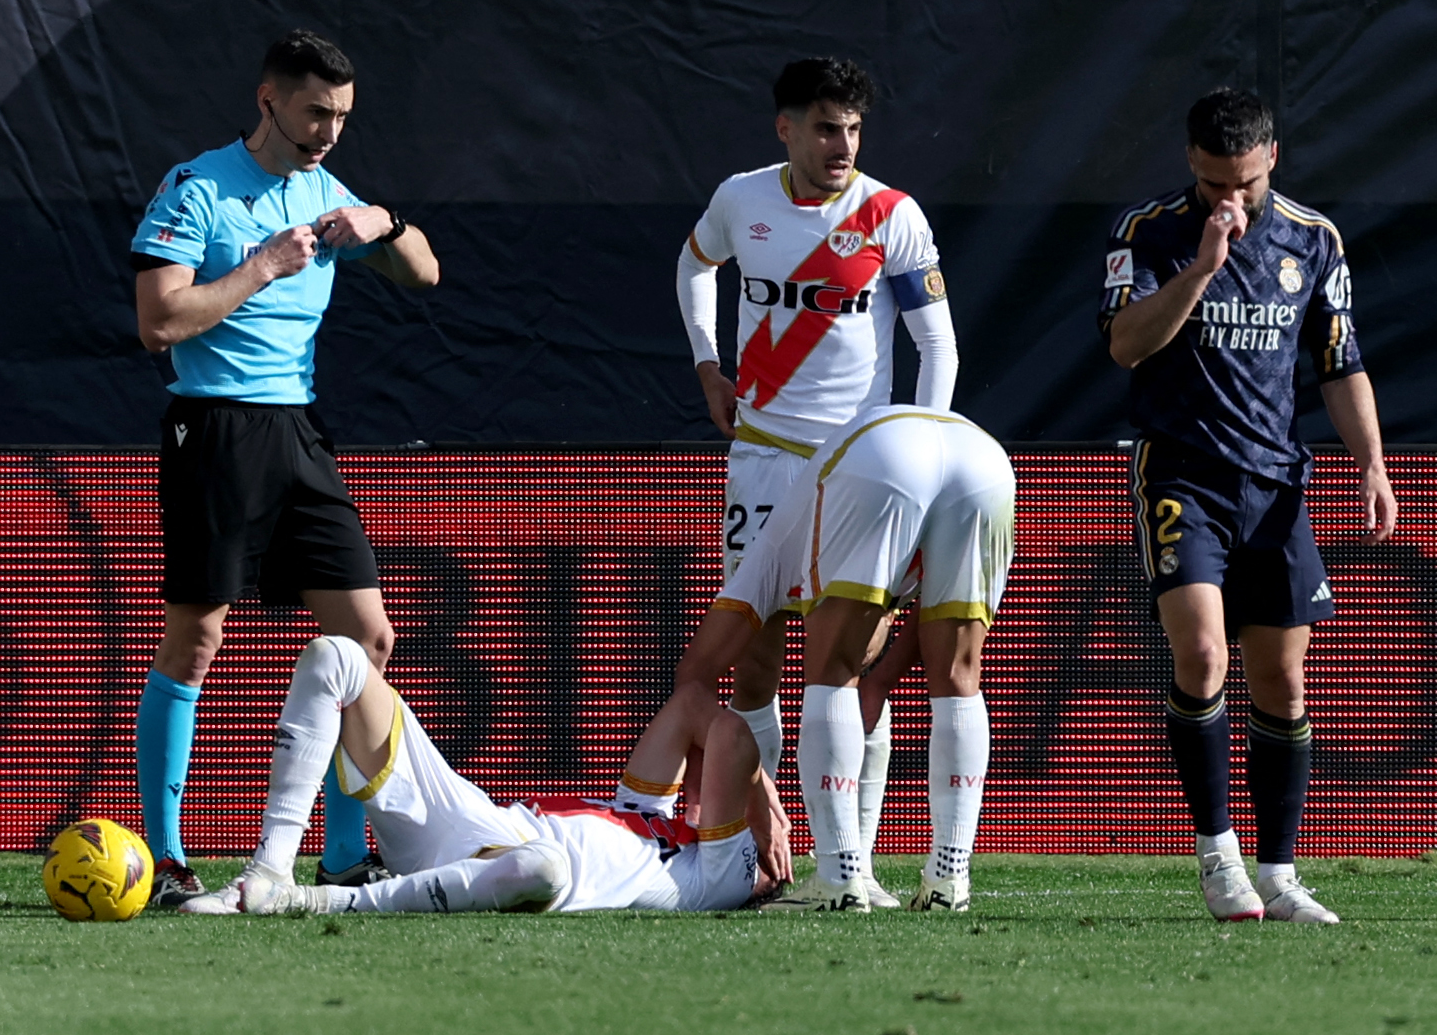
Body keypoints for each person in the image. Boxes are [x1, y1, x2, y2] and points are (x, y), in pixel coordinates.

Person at [129, 30, 439, 905]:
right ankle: (166, 859)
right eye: (314, 112)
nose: (329, 131)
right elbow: (159, 322)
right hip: (215, 428)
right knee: (197, 638)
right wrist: (265, 264)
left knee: (367, 641)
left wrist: (390, 224)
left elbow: (426, 275)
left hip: (299, 433)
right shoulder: (198, 188)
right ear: (268, 101)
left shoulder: (328, 191)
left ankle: (343, 859)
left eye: (341, 116)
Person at [1099, 88, 1396, 925]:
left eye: (1245, 185)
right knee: (1200, 654)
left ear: (1272, 156)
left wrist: (1371, 464)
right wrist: (1201, 266)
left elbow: (1340, 364)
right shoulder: (1148, 232)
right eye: (1213, 184)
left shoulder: (1313, 239)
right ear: (1191, 164)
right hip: (1182, 474)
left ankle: (1279, 871)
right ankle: (1216, 854)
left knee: (1285, 679)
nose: (1230, 201)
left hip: (1275, 481)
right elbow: (1125, 346)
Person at [674, 57, 960, 908]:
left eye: (854, 130)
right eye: (826, 128)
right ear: (786, 129)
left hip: (859, 469)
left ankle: (855, 861)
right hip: (762, 454)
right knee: (755, 657)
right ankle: (774, 843)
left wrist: (918, 451)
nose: (842, 146)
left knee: (855, 660)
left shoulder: (890, 215)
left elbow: (937, 346)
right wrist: (707, 365)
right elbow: (693, 265)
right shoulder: (741, 200)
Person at [656, 404, 1014, 912]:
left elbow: (694, 674)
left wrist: (750, 788)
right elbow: (938, 634)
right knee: (959, 675)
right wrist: (880, 681)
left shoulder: (767, 563)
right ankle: (948, 880)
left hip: (884, 451)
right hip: (983, 455)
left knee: (830, 673)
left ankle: (839, 877)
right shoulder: (821, 555)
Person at [177, 635, 769, 916]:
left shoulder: (717, 878)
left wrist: (766, 807)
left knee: (542, 866)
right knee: (338, 657)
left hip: (518, 871)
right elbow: (693, 702)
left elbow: (729, 737)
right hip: (473, 821)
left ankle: (309, 900)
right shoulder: (655, 817)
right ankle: (266, 871)